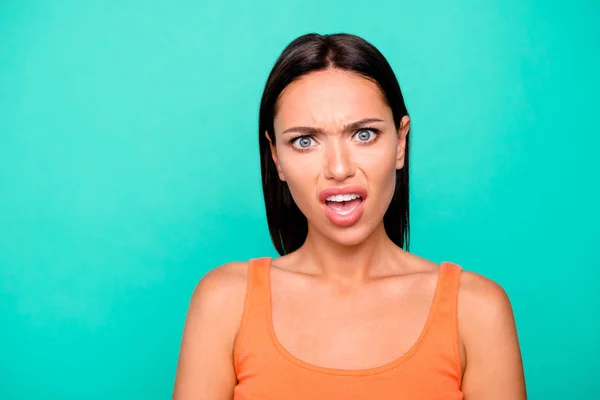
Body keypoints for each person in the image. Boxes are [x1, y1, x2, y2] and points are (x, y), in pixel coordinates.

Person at [172, 33, 526, 399]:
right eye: (305, 141)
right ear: (276, 157)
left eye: (364, 134)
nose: (338, 169)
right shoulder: (224, 303)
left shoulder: (477, 311)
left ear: (401, 143)